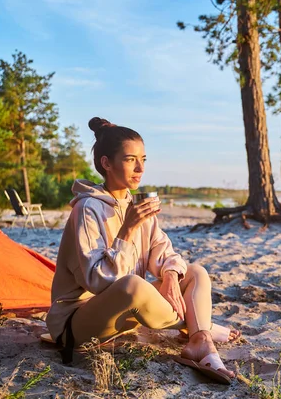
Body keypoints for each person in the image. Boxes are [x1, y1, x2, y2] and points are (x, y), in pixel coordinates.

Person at [46, 117, 238, 383]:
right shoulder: (86, 209)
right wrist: (127, 230)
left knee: (194, 272)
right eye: (130, 160)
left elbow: (167, 254)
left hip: (124, 317)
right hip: (76, 322)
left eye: (143, 159)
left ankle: (199, 337)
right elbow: (98, 280)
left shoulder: (136, 205)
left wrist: (170, 276)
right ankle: (199, 328)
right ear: (106, 163)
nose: (140, 168)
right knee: (133, 286)